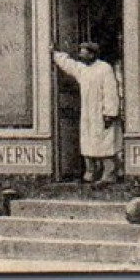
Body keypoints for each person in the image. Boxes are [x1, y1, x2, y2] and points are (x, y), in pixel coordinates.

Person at [53, 42, 122, 183]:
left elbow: (110, 92)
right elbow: (68, 64)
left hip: (102, 114)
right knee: (88, 142)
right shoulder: (83, 69)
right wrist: (55, 53)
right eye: (80, 53)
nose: (81, 56)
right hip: (88, 113)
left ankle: (109, 174)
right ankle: (90, 173)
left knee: (106, 143)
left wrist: (109, 113)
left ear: (92, 54)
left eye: (84, 53)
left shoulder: (104, 69)